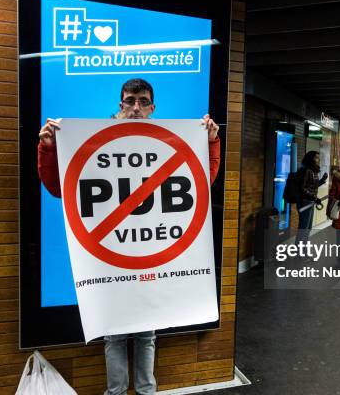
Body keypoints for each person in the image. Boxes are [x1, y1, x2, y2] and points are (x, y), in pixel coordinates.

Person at [37, 78, 221, 395]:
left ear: (153, 107)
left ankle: (147, 392)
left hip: (148, 252)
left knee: (147, 332)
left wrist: (212, 143)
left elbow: (200, 181)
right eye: (130, 100)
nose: (136, 107)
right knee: (114, 333)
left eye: (143, 101)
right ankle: (117, 393)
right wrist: (48, 148)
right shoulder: (91, 138)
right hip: (109, 258)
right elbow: (59, 188)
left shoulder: (166, 140)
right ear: (120, 103)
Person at [294, 151, 328, 244]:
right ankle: (299, 253)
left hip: (310, 201)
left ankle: (303, 252)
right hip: (305, 202)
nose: (318, 159)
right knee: (304, 229)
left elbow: (312, 186)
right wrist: (314, 197)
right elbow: (302, 188)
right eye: (316, 157)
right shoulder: (306, 170)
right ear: (311, 159)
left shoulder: (313, 170)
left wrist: (322, 180)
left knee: (307, 228)